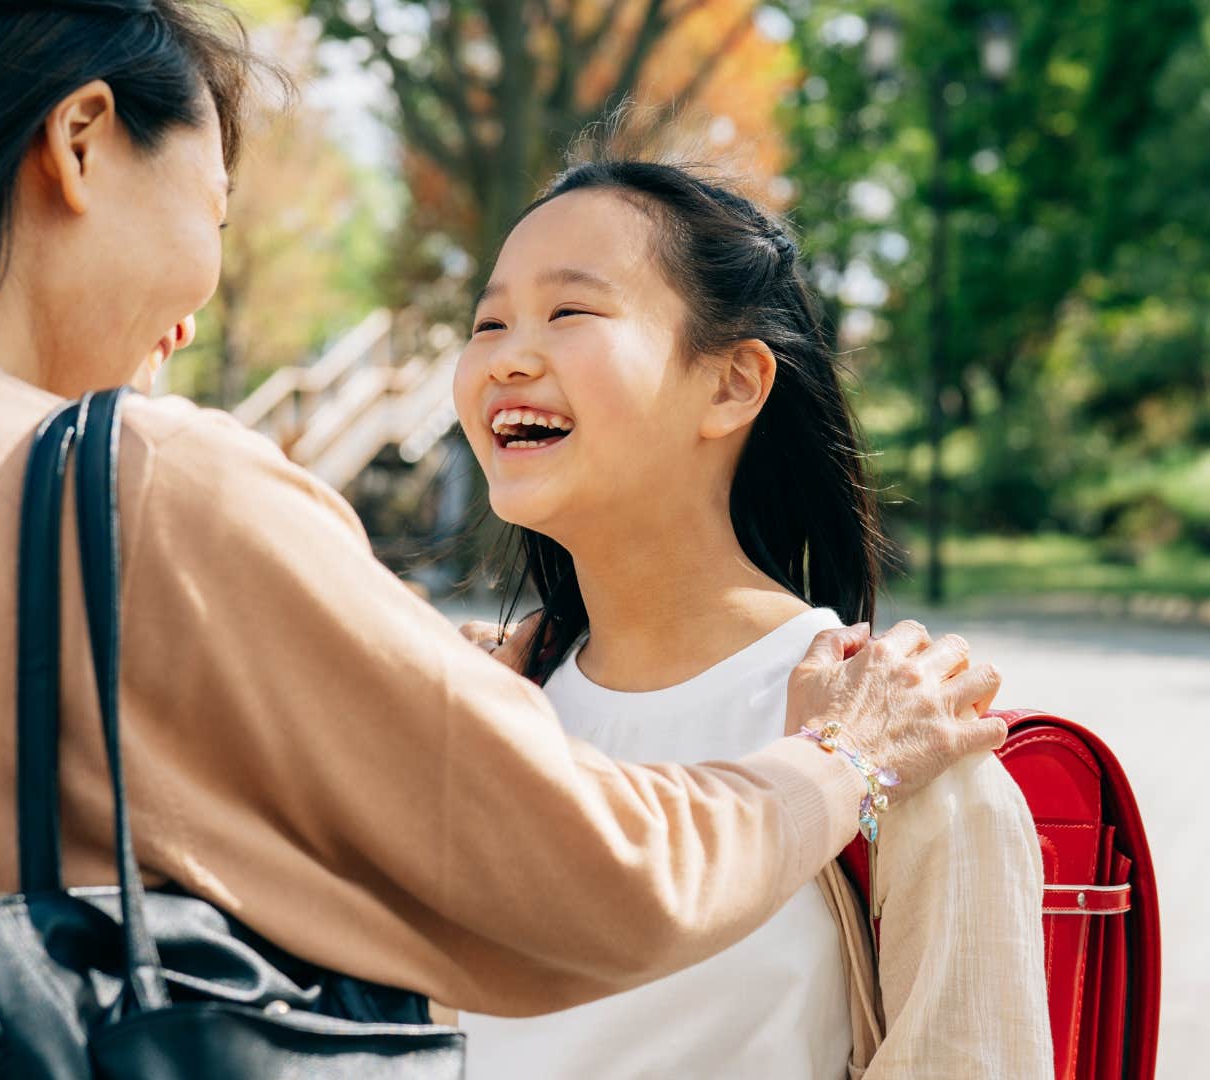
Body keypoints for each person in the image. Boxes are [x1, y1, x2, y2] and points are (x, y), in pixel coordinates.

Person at [0, 4, 1008, 1078]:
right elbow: (604, 879)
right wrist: (844, 760)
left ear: (737, 384)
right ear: (81, 144)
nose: (192, 316)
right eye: (215, 213)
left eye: (569, 314)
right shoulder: (129, 487)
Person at [450, 158, 1055, 1078]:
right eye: (488, 322)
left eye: (569, 313)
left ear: (732, 383)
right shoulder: (482, 710)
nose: (506, 356)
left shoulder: (901, 745)